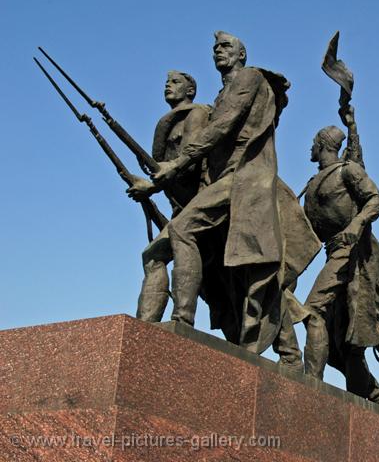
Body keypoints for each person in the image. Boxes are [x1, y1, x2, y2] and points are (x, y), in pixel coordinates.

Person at [152, 31, 319, 357]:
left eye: (226, 46)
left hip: (244, 181)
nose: (218, 51)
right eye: (215, 48)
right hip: (225, 184)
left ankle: (181, 323)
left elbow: (222, 126)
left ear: (241, 54)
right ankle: (288, 353)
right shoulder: (221, 92)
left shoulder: (249, 77)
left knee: (184, 232)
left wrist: (174, 167)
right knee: (244, 276)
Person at [301, 112, 379, 417]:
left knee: (321, 311)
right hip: (333, 254)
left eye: (313, 143)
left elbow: (376, 200)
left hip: (358, 255)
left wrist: (356, 226)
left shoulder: (347, 170)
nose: (309, 148)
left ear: (321, 144)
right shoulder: (313, 182)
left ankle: (307, 386)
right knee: (346, 349)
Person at [127, 70, 209, 323]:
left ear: (190, 91)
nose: (168, 86)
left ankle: (182, 319)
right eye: (166, 82)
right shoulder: (168, 121)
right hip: (181, 208)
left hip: (204, 203)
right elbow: (163, 170)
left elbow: (190, 163)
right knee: (152, 256)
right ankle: (144, 328)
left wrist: (151, 187)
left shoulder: (196, 114)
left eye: (175, 82)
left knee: (174, 242)